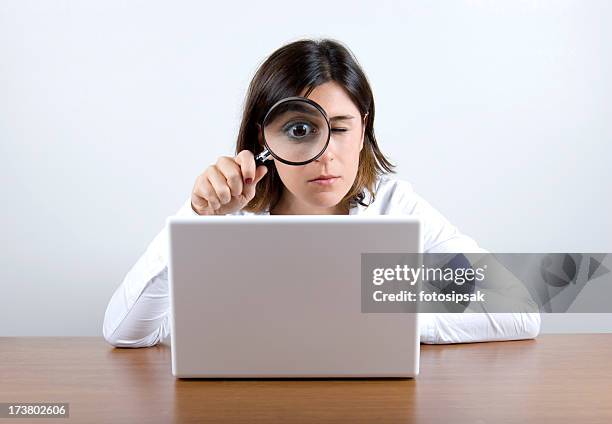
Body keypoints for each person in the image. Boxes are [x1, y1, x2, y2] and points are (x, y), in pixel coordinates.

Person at [102, 38, 540, 348]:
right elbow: (124, 332)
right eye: (300, 129)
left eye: (342, 128)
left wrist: (380, 315)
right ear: (263, 138)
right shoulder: (225, 215)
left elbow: (518, 309)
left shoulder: (395, 206)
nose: (326, 155)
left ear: (363, 128)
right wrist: (195, 221)